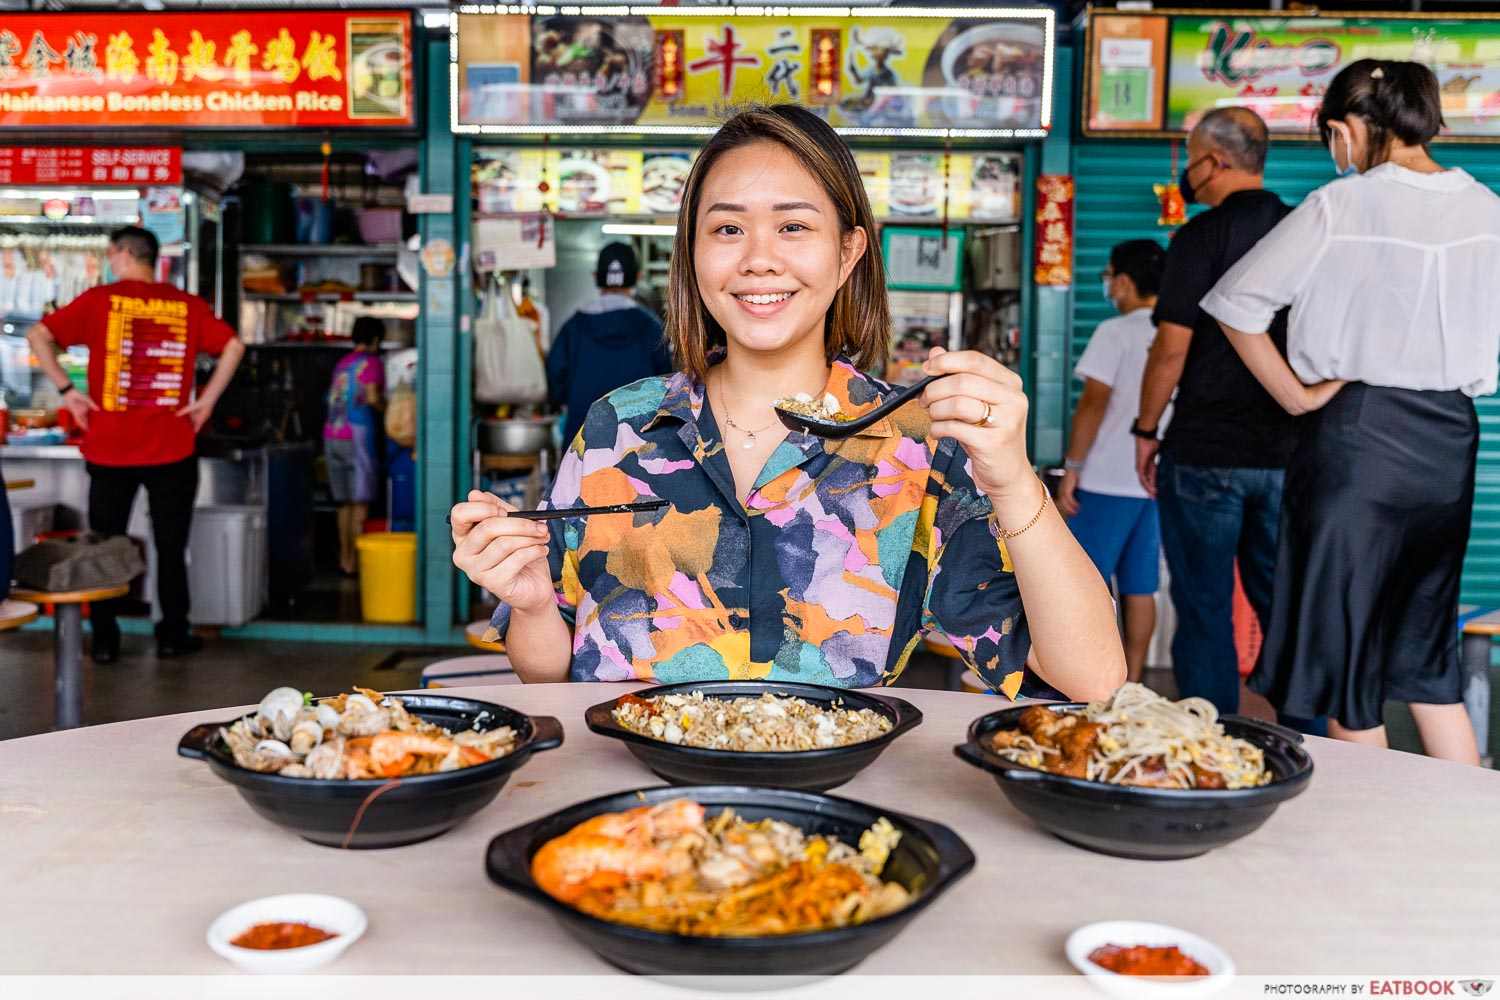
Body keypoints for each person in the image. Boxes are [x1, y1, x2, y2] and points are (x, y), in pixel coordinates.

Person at [451, 104, 1126, 697]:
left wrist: (1010, 477)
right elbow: (548, 670)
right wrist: (535, 604)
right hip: (634, 816)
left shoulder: (917, 445)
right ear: (691, 254)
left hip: (829, 818)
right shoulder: (617, 428)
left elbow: (1089, 678)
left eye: (794, 227)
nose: (759, 259)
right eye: (727, 230)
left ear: (848, 252)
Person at [1202, 60, 1497, 763]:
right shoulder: (1490, 211)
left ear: (1346, 129)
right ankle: (1472, 847)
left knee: (1345, 675)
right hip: (1451, 442)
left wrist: (1297, 395)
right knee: (1429, 667)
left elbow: (1236, 305)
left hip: (1356, 441)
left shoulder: (1342, 206)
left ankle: (1365, 851)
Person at [1132, 108, 1298, 718]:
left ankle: (1213, 737)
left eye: (1191, 157)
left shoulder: (1199, 237)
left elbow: (1170, 349)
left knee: (1202, 606)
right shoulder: (1301, 228)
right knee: (1285, 602)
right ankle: (1311, 737)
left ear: (1217, 161)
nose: (1186, 171)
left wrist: (1146, 431)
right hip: (1288, 455)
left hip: (1203, 454)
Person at [25, 225, 244, 661]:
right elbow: (234, 345)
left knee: (105, 544)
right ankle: (172, 634)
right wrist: (205, 403)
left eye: (111, 255)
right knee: (170, 545)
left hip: (110, 447)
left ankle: (105, 639)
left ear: (123, 254)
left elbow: (37, 336)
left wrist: (68, 391)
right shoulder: (184, 306)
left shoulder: (101, 300)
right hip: (172, 446)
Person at [1058, 239, 1167, 684]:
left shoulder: (1116, 332)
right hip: (1155, 482)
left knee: (1085, 582)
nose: (1108, 285)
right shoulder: (1176, 331)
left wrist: (1073, 467)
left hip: (1106, 479)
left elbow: (1092, 405)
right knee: (1141, 587)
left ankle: (1095, 682)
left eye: (1109, 276)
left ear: (1123, 281)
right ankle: (1134, 678)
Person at [547, 242, 672, 449]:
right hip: (637, 438)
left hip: (583, 434)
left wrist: (565, 399)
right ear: (638, 277)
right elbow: (666, 381)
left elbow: (555, 372)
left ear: (596, 277)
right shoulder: (651, 327)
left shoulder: (574, 326)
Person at [324, 316, 386, 576]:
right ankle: (358, 564)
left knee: (344, 503)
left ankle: (345, 559)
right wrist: (389, 410)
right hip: (357, 435)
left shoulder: (342, 363)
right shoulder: (371, 363)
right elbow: (371, 398)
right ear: (375, 339)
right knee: (360, 503)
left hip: (332, 435)